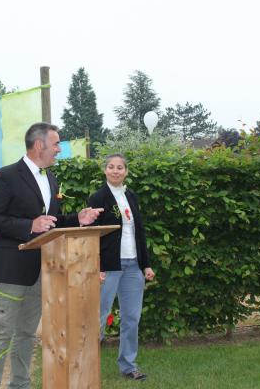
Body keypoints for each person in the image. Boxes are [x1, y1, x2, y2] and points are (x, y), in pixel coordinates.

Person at [0, 122, 103, 389]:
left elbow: (51, 223)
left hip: (40, 270)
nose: (59, 149)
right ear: (38, 145)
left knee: (26, 334)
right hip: (11, 270)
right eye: (56, 144)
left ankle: (20, 384)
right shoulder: (7, 175)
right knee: (2, 332)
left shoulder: (50, 179)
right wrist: (28, 225)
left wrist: (77, 219)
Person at [87, 153, 155, 381]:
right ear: (105, 170)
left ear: (126, 172)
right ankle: (87, 366)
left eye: (120, 167)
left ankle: (128, 366)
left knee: (131, 318)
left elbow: (139, 231)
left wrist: (146, 265)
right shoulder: (97, 198)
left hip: (133, 266)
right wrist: (96, 266)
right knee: (98, 317)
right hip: (109, 267)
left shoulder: (131, 196)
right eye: (111, 167)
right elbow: (91, 235)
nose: (115, 171)